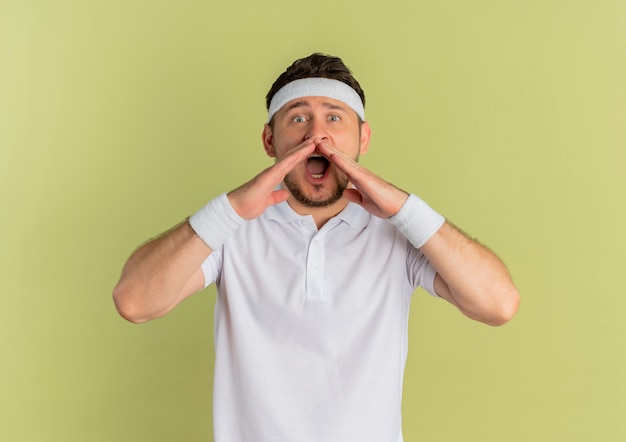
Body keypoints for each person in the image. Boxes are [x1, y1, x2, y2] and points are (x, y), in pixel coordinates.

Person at [113, 53, 520, 442]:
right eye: (299, 117)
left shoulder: (398, 233)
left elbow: (498, 304)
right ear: (270, 140)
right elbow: (134, 301)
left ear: (363, 137)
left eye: (334, 117)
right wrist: (231, 210)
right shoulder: (230, 230)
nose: (316, 134)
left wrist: (403, 209)